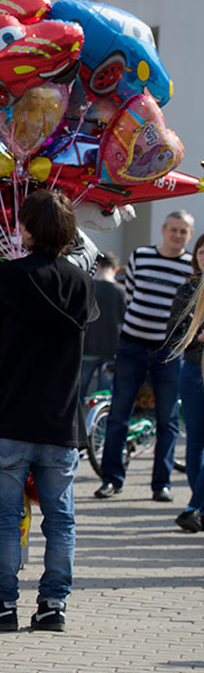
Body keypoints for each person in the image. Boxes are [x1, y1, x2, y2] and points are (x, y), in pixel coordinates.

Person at [0, 189, 97, 634]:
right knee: (61, 521)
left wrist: (5, 279)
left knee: (6, 521)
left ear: (27, 230)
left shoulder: (10, 277)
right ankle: (53, 606)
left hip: (10, 420)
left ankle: (1, 606)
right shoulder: (81, 283)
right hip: (60, 423)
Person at [95, 210, 195, 502]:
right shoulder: (140, 256)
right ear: (163, 230)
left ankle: (161, 484)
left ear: (189, 236)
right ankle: (111, 479)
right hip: (132, 345)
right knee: (119, 414)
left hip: (168, 350)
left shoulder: (191, 267)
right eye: (173, 229)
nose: (177, 235)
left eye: (183, 231)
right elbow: (132, 294)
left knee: (168, 419)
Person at [167, 236, 204, 532]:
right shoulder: (187, 290)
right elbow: (174, 335)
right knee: (195, 441)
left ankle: (196, 506)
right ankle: (197, 502)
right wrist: (196, 337)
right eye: (201, 252)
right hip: (193, 368)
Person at [80, 252, 126, 400]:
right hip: (111, 348)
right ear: (116, 269)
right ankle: (100, 422)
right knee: (103, 397)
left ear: (98, 266)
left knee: (77, 393)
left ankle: (74, 422)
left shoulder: (89, 287)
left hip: (87, 346)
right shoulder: (121, 291)